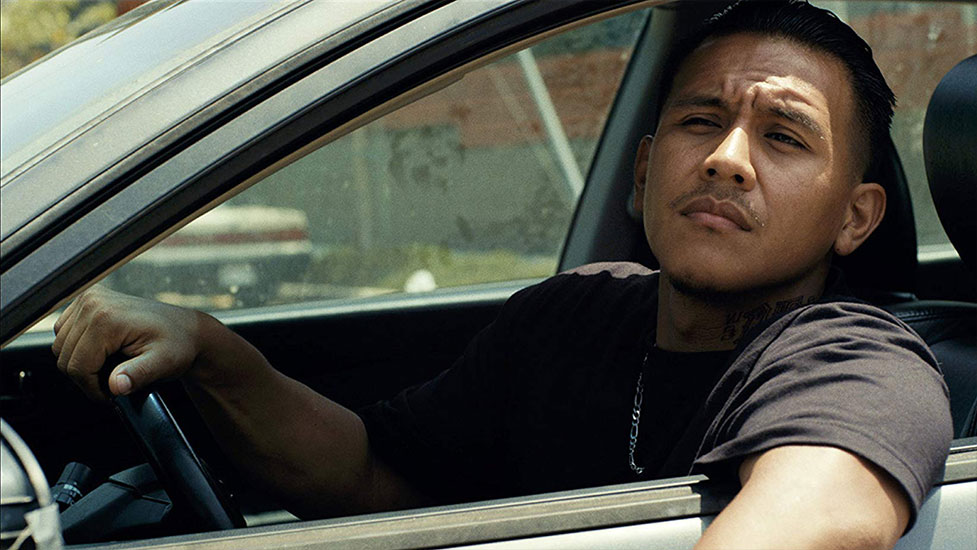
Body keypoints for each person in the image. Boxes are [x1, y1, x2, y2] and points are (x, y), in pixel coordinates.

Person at [52, 1, 951, 548]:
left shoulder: (855, 364)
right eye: (698, 121)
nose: (725, 158)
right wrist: (212, 352)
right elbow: (371, 473)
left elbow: (817, 520)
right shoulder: (576, 314)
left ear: (854, 217)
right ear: (643, 168)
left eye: (782, 136)